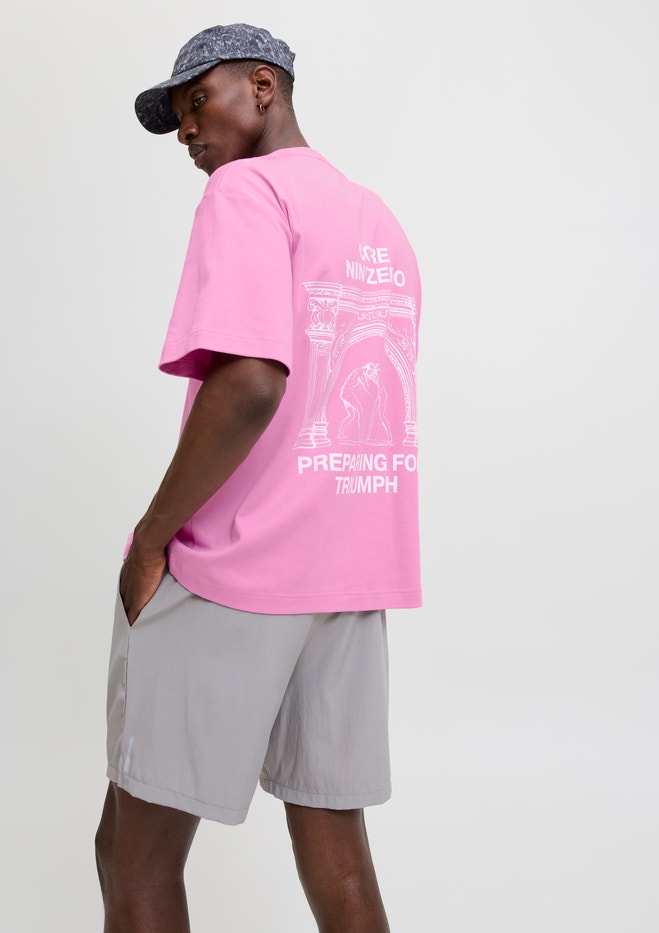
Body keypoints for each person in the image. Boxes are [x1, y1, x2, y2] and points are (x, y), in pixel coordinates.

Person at [95, 23, 421, 932]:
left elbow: (251, 383)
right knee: (339, 856)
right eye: (178, 118)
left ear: (264, 87)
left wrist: (153, 536)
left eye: (199, 101)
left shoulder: (246, 190)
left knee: (132, 854)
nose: (188, 130)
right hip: (348, 578)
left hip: (238, 569)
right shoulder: (375, 217)